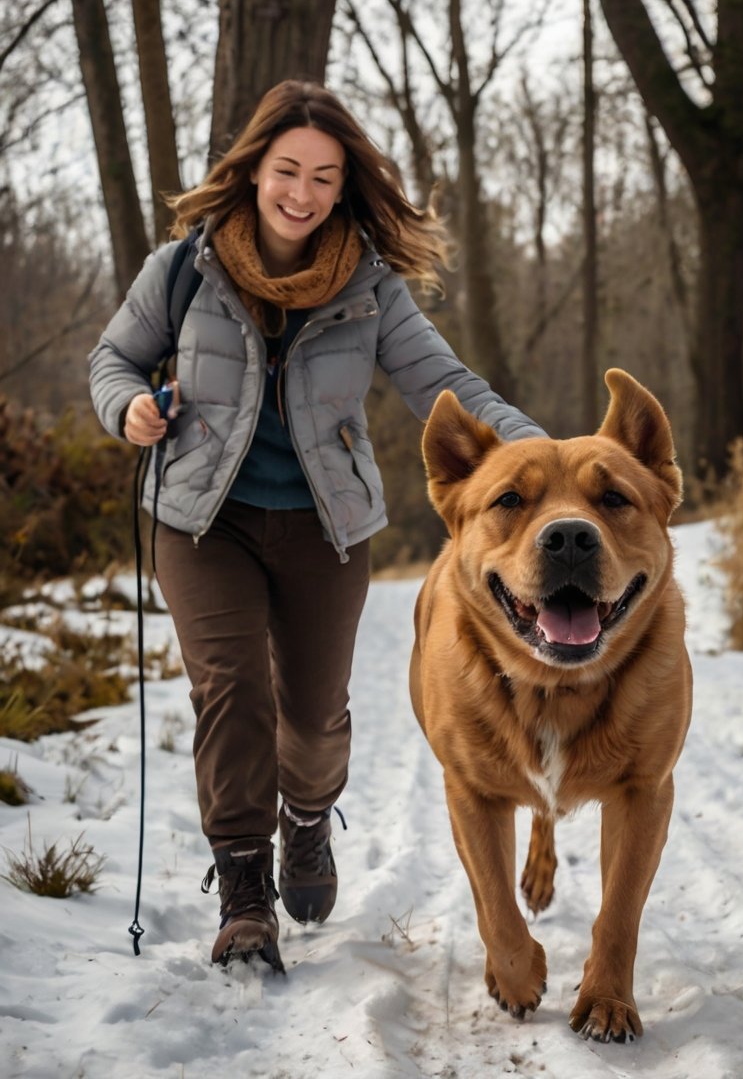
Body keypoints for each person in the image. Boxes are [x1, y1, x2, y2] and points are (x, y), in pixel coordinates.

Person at [89, 78, 546, 972]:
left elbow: (451, 392)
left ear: (345, 189)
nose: (301, 193)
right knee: (232, 692)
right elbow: (114, 359)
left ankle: (307, 819)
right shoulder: (184, 268)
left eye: (324, 178)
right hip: (199, 520)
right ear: (255, 168)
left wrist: (551, 461)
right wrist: (129, 409)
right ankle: (245, 893)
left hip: (323, 528)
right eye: (286, 170)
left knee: (313, 715)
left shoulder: (372, 289)